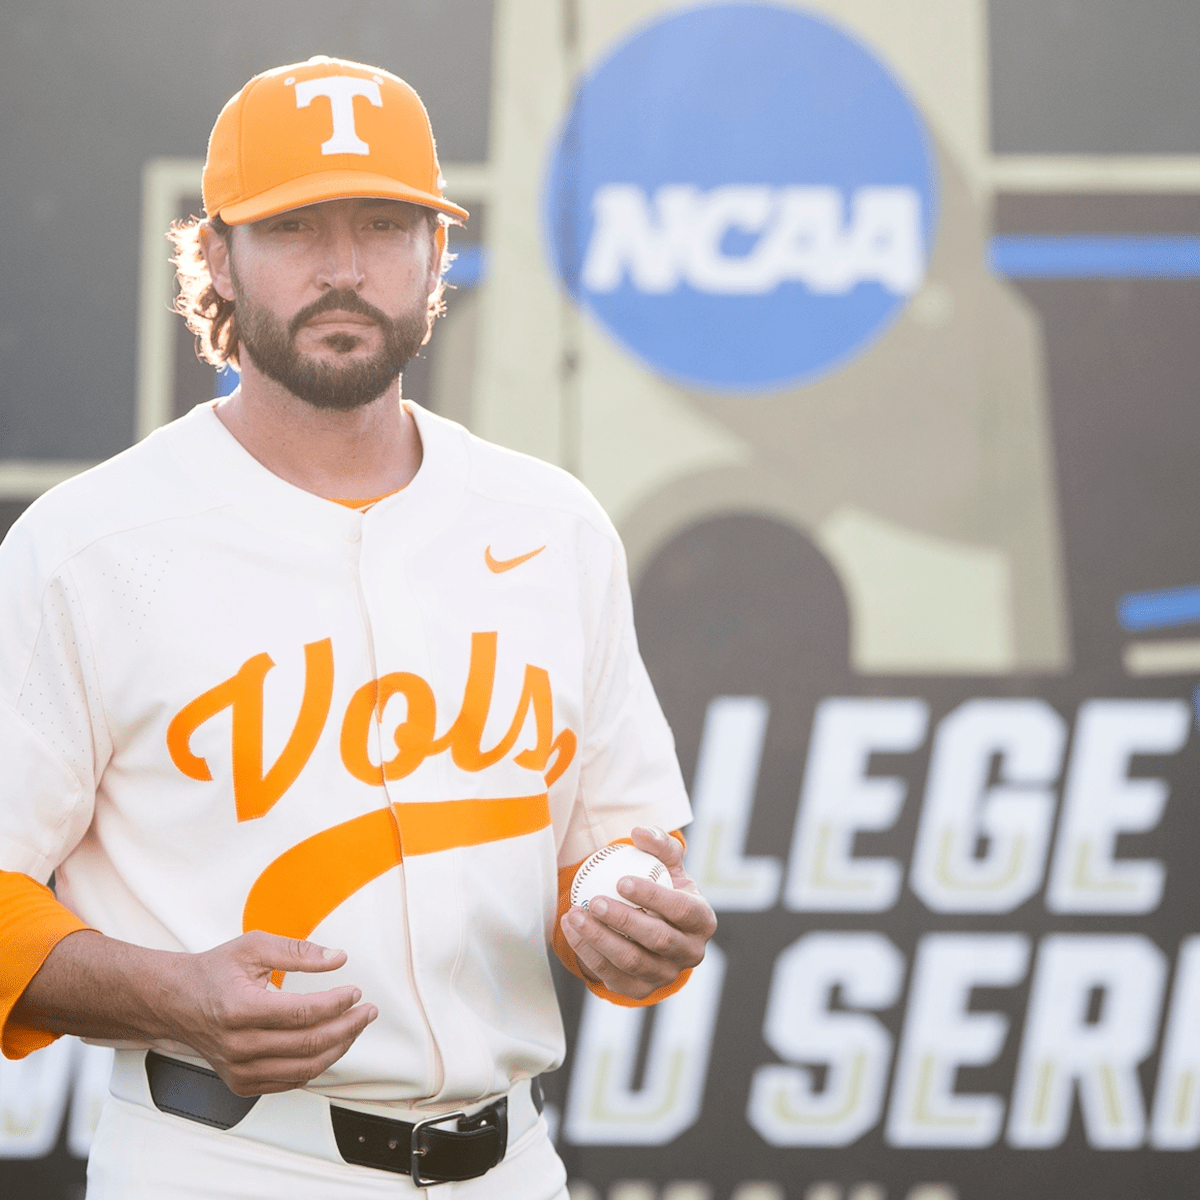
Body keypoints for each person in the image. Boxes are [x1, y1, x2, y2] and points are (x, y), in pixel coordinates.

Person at [0, 56, 716, 1198]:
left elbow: (621, 836)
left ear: (436, 256)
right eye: (294, 229)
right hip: (224, 1159)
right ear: (218, 257)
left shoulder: (552, 523)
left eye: (384, 225)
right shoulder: (90, 545)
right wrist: (169, 995)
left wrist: (615, 905)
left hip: (512, 1163)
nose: (343, 269)